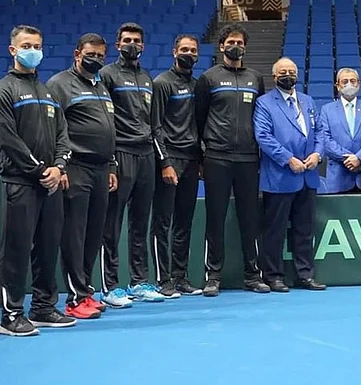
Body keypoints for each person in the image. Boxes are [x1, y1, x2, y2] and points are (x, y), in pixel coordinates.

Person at [0, 25, 74, 336]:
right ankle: (10, 314)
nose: (33, 51)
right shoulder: (5, 89)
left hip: (51, 184)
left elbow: (63, 135)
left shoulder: (48, 92)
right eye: (27, 45)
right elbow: (8, 139)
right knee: (16, 251)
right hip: (20, 182)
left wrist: (59, 166)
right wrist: (40, 170)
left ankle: (43, 307)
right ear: (13, 50)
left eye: (37, 46)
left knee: (47, 247)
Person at [47, 33, 118, 319]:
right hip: (76, 167)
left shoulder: (101, 86)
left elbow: (109, 128)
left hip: (101, 169)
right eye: (91, 54)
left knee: (93, 234)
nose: (96, 60)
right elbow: (53, 129)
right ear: (77, 54)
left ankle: (86, 291)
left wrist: (112, 165)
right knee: (74, 236)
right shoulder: (59, 84)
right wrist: (60, 166)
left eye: (101, 56)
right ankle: (75, 298)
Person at [194, 23, 268, 297]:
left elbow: (261, 117)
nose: (235, 46)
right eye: (231, 42)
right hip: (217, 157)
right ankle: (213, 276)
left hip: (248, 158)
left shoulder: (255, 78)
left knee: (250, 218)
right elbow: (199, 119)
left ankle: (253, 275)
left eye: (240, 42)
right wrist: (202, 157)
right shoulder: (208, 78)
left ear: (245, 47)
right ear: (222, 46)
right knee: (215, 218)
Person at [99, 22, 162, 306]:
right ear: (118, 45)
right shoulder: (107, 75)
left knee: (140, 222)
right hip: (121, 152)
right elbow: (105, 121)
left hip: (146, 154)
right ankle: (110, 286)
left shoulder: (148, 78)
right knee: (112, 223)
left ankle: (139, 281)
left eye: (136, 40)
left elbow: (154, 123)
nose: (131, 45)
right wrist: (111, 162)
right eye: (126, 40)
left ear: (143, 46)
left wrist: (162, 159)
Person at [253, 58, 327, 292]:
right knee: (275, 231)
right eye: (283, 72)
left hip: (308, 175)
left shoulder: (307, 101)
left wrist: (317, 154)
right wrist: (288, 159)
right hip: (280, 176)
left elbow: (320, 132)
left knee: (305, 230)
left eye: (292, 72)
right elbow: (263, 136)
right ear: (274, 76)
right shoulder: (264, 103)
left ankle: (305, 275)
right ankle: (273, 276)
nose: (288, 75)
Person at [149, 35, 203, 297]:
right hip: (170, 160)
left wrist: (200, 159)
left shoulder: (198, 85)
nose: (188, 54)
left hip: (191, 160)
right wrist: (165, 163)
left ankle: (180, 276)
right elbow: (155, 126)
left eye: (193, 50)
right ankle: (163, 279)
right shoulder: (162, 83)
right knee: (162, 222)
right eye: (184, 49)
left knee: (184, 221)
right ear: (174, 52)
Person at [319, 67, 361, 194]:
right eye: (345, 81)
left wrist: (359, 158)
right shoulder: (327, 110)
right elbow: (325, 140)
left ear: (359, 84)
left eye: (353, 81)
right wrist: (349, 159)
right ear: (337, 86)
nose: (349, 84)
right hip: (339, 177)